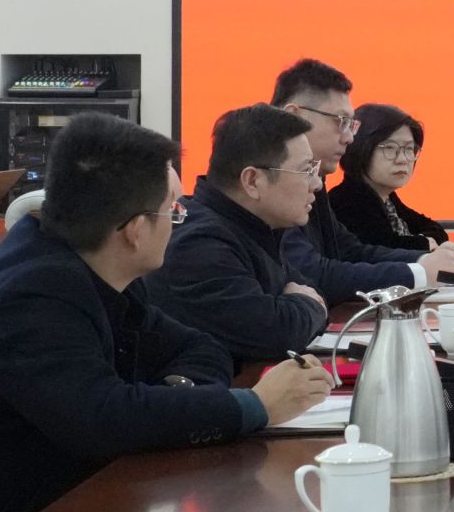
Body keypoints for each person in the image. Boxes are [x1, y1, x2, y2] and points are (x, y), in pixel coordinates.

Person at [0, 113, 334, 512]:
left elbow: (200, 348)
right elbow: (104, 420)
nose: (179, 222)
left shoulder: (98, 269)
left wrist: (175, 395)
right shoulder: (33, 296)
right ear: (135, 230)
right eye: (173, 210)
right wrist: (255, 405)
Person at [145, 104, 341, 363]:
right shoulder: (198, 244)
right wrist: (309, 306)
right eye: (306, 170)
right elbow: (276, 333)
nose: (316, 184)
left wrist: (304, 304)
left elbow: (310, 291)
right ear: (252, 181)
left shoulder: (255, 227)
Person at [269, 59, 454, 299]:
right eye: (340, 122)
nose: (349, 138)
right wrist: (418, 273)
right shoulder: (270, 181)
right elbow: (313, 273)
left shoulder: (317, 180)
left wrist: (422, 261)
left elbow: (349, 251)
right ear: (294, 117)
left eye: (351, 125)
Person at [332, 103, 448, 248]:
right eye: (390, 148)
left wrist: (422, 242)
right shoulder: (347, 201)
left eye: (409, 149)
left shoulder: (386, 198)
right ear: (360, 149)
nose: (402, 159)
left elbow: (436, 230)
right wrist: (424, 243)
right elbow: (385, 248)